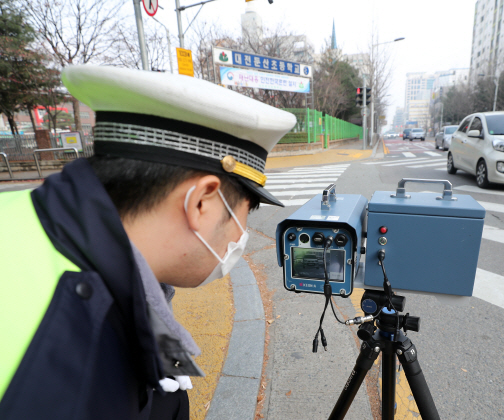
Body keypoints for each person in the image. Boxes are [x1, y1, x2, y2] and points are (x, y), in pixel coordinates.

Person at [0, 65, 296, 419]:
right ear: (202, 202)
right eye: (249, 209)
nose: (243, 234)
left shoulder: (23, 212)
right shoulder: (79, 378)